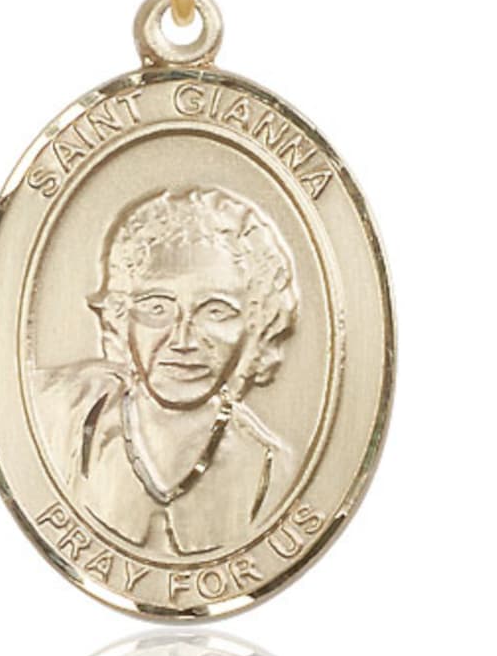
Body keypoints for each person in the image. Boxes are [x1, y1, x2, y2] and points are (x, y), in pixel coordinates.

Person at [32, 187, 300, 556]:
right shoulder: (54, 415)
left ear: (257, 326)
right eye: (156, 307)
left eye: (216, 311)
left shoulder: (269, 471)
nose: (183, 339)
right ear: (120, 319)